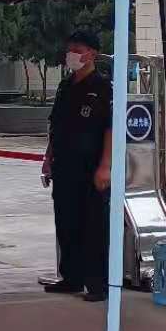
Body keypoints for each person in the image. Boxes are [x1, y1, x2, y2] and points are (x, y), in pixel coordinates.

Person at [41, 29, 113, 302]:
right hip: (64, 165)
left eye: (78, 50)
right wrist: (48, 158)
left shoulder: (102, 87)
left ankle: (97, 284)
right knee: (66, 222)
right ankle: (71, 278)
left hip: (91, 167)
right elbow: (55, 125)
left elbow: (110, 129)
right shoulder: (65, 86)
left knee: (93, 225)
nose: (71, 54)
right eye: (69, 49)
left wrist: (105, 165)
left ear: (92, 53)